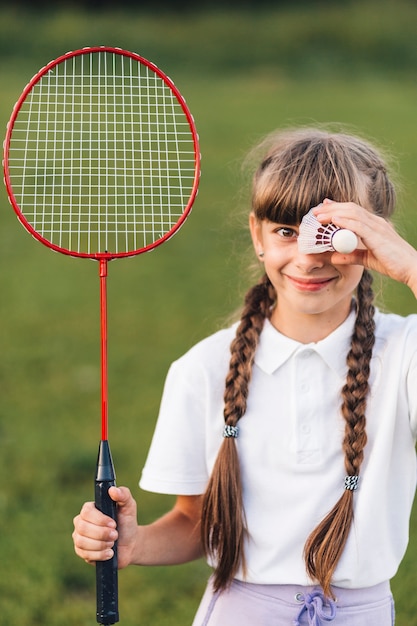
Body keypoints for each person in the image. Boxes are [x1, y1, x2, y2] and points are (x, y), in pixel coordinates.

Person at [72, 127, 417, 625]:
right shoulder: (202, 369)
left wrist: (407, 266)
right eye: (286, 231)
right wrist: (137, 542)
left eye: (333, 234)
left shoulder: (404, 352)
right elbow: (195, 523)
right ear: (257, 235)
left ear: (374, 236)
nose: (309, 256)